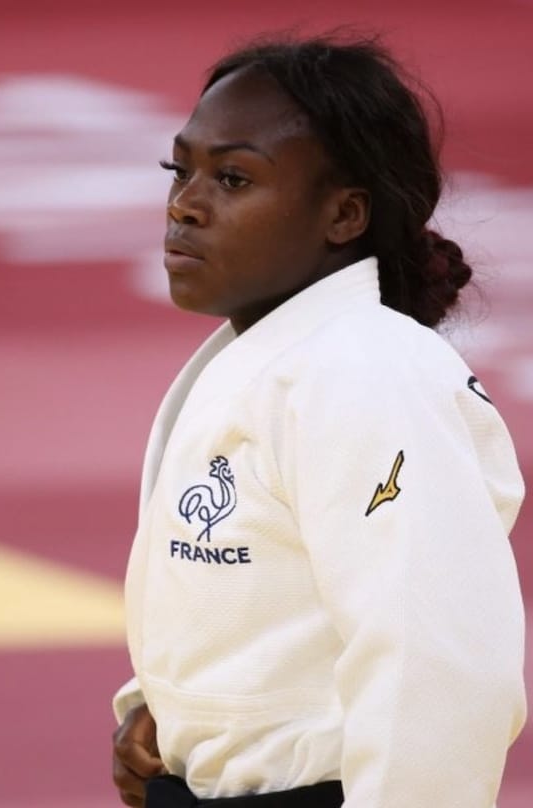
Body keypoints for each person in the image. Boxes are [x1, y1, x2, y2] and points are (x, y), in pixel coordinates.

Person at [110, 34, 524, 808]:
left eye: (232, 178)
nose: (185, 204)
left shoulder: (372, 375)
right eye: (181, 168)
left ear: (344, 214)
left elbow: (439, 664)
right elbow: (262, 606)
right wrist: (169, 716)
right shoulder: (265, 359)